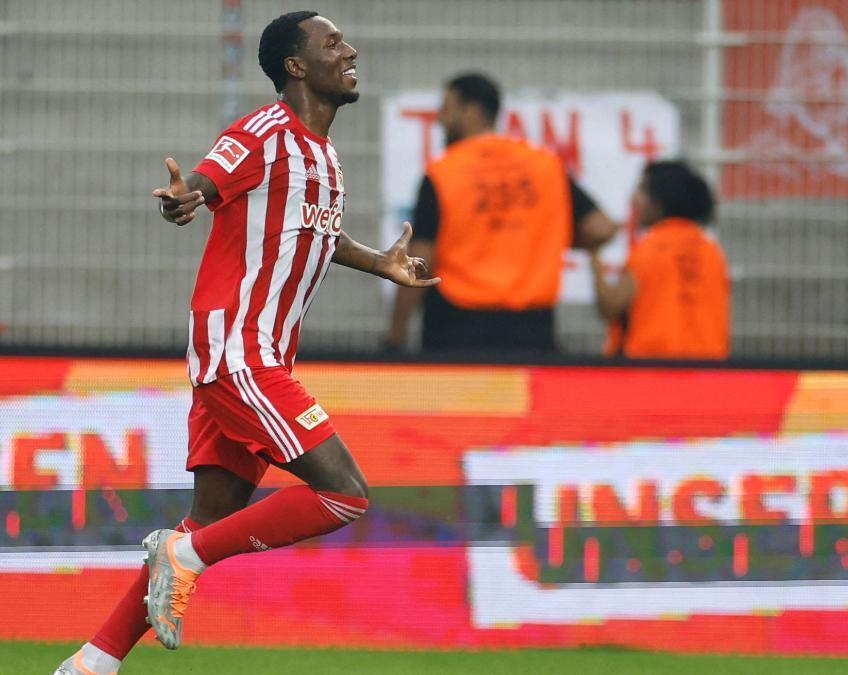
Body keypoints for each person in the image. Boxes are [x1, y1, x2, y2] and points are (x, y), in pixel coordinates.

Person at [55, 12, 438, 674]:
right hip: (240, 351)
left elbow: (308, 231)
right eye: (331, 44)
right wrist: (185, 199)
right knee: (343, 493)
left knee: (204, 524)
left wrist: (380, 263)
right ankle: (183, 562)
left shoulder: (323, 155)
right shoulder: (264, 131)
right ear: (296, 66)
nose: (350, 51)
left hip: (253, 356)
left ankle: (92, 661)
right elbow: (206, 183)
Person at [386, 72, 618, 355]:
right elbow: (601, 228)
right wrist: (548, 235)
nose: (440, 120)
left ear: (470, 111)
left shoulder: (443, 173)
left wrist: (395, 336)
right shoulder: (545, 165)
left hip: (456, 331)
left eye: (447, 109)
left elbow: (419, 262)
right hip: (533, 332)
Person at [590, 161, 730, 359]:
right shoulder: (711, 251)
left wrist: (593, 251)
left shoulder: (650, 249)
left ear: (660, 199)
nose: (633, 199)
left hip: (651, 369)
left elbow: (611, 306)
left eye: (641, 190)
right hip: (710, 370)